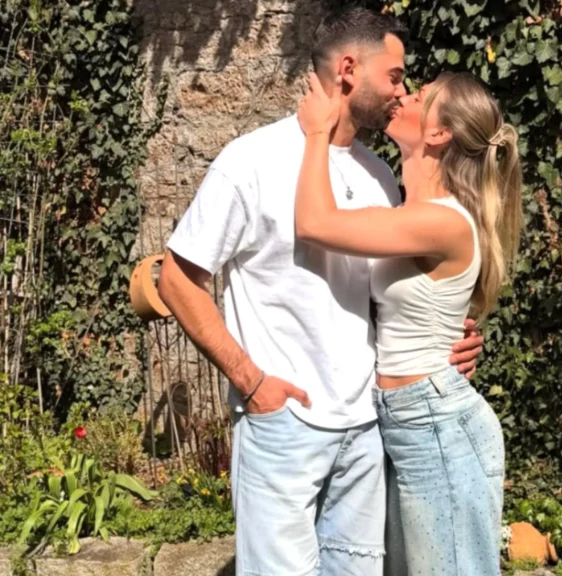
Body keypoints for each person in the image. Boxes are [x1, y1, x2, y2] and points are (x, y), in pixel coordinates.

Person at [156, 7, 484, 576]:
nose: (401, 91)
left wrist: (447, 342)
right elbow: (178, 280)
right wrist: (250, 381)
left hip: (364, 430)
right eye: (396, 76)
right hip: (284, 424)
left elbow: (396, 298)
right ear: (350, 69)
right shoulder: (251, 161)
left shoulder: (380, 177)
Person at [294, 68, 523, 575]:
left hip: (437, 428)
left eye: (418, 95)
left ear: (438, 133)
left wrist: (315, 133)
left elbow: (314, 224)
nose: (401, 95)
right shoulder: (411, 208)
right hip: (404, 422)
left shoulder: (440, 219)